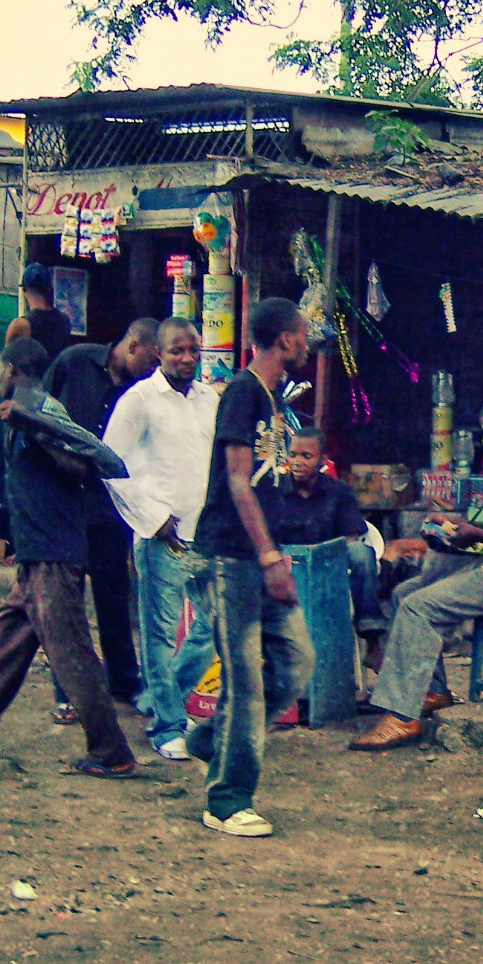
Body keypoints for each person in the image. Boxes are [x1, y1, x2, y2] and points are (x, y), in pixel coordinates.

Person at [0, 337, 138, 777]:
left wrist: (33, 423)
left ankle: (113, 753)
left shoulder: (39, 408)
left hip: (53, 554)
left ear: (12, 369)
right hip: (37, 554)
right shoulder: (24, 409)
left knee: (72, 655)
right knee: (9, 643)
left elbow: (82, 464)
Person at [349, 393, 483, 752]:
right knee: (405, 594)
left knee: (419, 607)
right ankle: (433, 690)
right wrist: (454, 527)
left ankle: (402, 715)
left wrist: (476, 535)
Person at [183, 298, 317, 838]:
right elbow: (238, 480)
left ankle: (210, 741)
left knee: (297, 660)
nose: (308, 342)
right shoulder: (242, 392)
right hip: (232, 556)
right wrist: (267, 556)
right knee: (246, 678)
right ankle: (227, 800)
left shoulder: (272, 399)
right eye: (303, 334)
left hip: (261, 555)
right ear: (285, 340)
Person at [102, 318, 219, 762]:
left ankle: (160, 699)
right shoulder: (140, 401)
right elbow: (110, 464)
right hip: (161, 537)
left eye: (193, 350)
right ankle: (166, 725)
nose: (187, 358)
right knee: (159, 634)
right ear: (159, 354)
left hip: (204, 534)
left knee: (212, 626)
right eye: (177, 351)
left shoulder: (209, 398)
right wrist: (152, 518)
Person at [42, 320, 160, 721]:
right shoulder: (74, 363)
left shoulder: (140, 392)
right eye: (152, 356)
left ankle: (124, 683)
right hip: (65, 506)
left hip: (111, 507)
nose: (153, 366)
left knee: (113, 600)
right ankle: (68, 692)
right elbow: (37, 412)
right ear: (135, 344)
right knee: (67, 605)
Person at [268, 428, 389, 673]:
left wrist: (323, 554)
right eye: (293, 455)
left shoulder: (339, 491)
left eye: (306, 456)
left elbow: (352, 537)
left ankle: (372, 638)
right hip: (288, 568)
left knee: (362, 554)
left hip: (330, 563)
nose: (297, 462)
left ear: (323, 459)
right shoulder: (275, 491)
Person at [7, 263, 73, 363]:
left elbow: (7, 364)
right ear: (49, 289)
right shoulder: (65, 321)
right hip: (58, 378)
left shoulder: (21, 325)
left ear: (25, 290)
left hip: (33, 378)